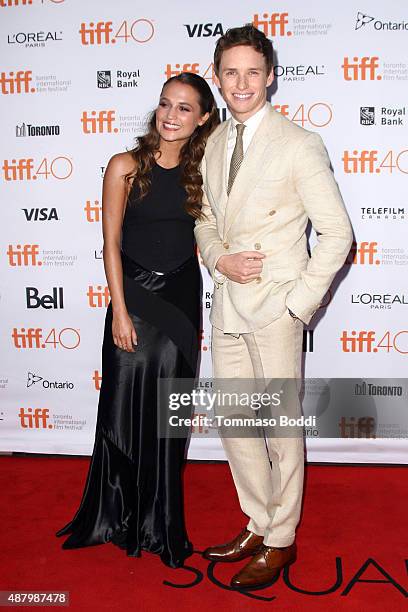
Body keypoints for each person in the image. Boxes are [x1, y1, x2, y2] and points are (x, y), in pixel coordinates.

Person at [195, 25, 353, 589]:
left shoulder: (299, 143)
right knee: (237, 426)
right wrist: (219, 258)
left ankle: (281, 541)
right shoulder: (213, 142)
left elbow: (337, 235)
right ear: (218, 77)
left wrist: (298, 306)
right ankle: (258, 523)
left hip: (275, 310)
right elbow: (207, 219)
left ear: (271, 77)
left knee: (281, 430)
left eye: (252, 72)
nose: (241, 83)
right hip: (229, 306)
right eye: (231, 72)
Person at [56, 73, 219, 568]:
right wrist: (120, 310)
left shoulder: (204, 171)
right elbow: (110, 244)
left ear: (203, 118)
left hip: (181, 298)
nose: (171, 115)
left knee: (169, 416)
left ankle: (159, 523)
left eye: (185, 108)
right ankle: (114, 516)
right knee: (122, 408)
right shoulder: (125, 166)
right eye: (166, 104)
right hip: (135, 297)